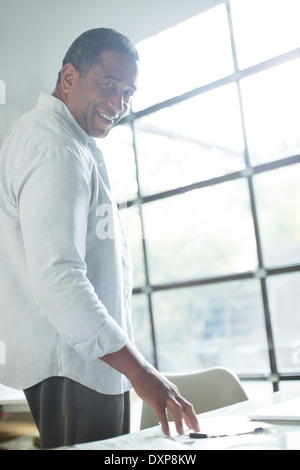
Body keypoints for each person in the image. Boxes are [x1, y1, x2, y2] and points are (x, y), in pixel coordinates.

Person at [0, 28, 199, 449]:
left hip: (83, 362)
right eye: (108, 85)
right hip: (77, 366)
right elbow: (59, 278)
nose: (118, 104)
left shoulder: (58, 138)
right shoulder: (55, 147)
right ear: (68, 78)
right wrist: (141, 372)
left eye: (128, 92)